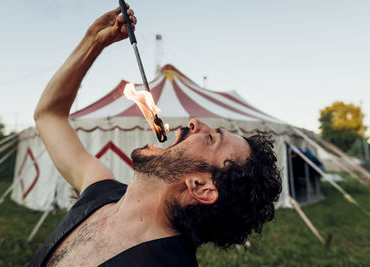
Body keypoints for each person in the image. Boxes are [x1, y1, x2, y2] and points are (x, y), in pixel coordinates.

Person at [30, 4, 282, 267]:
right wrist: (93, 42)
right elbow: (49, 115)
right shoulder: (101, 193)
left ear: (201, 187)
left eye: (211, 139)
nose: (195, 123)